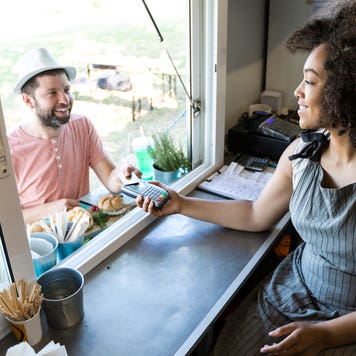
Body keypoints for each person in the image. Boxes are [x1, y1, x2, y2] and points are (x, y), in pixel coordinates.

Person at [137, 1, 356, 354]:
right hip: (291, 293)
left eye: (310, 82)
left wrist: (327, 334)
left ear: (345, 92)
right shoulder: (301, 154)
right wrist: (180, 204)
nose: (298, 91)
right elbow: (256, 215)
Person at [9, 48, 141, 223]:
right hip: (42, 243)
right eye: (52, 93)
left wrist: (123, 177)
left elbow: (110, 178)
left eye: (67, 89)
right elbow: (6, 220)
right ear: (28, 101)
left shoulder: (82, 125)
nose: (65, 99)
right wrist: (48, 210)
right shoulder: (10, 149)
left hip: (85, 231)